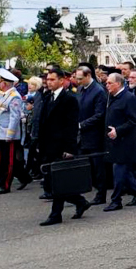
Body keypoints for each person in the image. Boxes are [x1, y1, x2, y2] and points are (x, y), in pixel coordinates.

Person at [39, 69, 92, 226]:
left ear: (61, 81)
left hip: (61, 146)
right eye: (48, 79)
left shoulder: (69, 99)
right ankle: (80, 201)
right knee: (50, 181)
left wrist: (70, 148)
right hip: (48, 145)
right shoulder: (48, 97)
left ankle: (56, 214)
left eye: (52, 79)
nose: (49, 82)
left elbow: (71, 126)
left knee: (58, 181)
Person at [103, 73, 136, 211]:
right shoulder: (112, 97)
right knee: (124, 172)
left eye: (110, 83)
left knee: (119, 171)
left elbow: (133, 120)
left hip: (125, 141)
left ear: (118, 84)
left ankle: (116, 200)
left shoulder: (128, 98)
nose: (107, 85)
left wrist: (118, 131)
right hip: (114, 141)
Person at [0, 68, 33, 194]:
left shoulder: (14, 97)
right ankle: (24, 177)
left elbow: (15, 117)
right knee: (6, 159)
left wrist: (10, 134)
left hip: (8, 134)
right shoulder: (4, 95)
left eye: (1, 81)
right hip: (0, 132)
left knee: (8, 161)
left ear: (5, 83)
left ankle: (5, 184)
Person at [76, 66, 109, 205]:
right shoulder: (81, 89)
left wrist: (81, 125)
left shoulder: (98, 91)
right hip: (83, 135)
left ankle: (101, 194)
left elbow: (100, 115)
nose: (78, 81)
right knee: (84, 165)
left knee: (98, 167)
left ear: (88, 75)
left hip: (95, 135)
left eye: (80, 78)